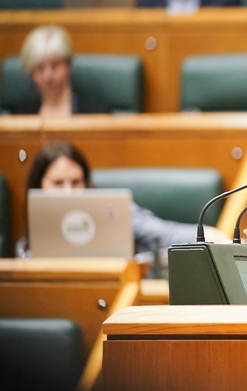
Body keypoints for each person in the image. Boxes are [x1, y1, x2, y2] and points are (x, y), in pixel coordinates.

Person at [23, 140, 227, 257]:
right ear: (39, 184)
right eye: (58, 184)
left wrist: (211, 236)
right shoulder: (25, 247)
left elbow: (163, 233)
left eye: (76, 182)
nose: (69, 192)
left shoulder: (113, 210)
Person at [11, 25, 109, 116]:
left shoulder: (95, 112)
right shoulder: (19, 115)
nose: (47, 76)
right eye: (39, 68)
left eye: (55, 65)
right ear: (30, 72)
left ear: (68, 65)